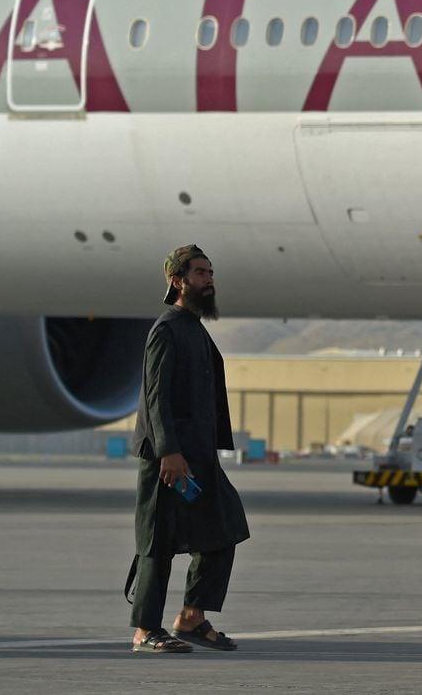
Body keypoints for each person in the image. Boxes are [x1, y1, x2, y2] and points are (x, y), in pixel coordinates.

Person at [126, 244, 249, 654]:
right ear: (178, 281)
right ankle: (145, 630)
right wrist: (168, 452)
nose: (209, 280)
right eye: (200, 273)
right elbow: (155, 396)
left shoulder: (195, 329)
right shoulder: (167, 329)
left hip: (199, 456)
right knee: (158, 543)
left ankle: (192, 617)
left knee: (225, 529)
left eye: (211, 273)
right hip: (168, 457)